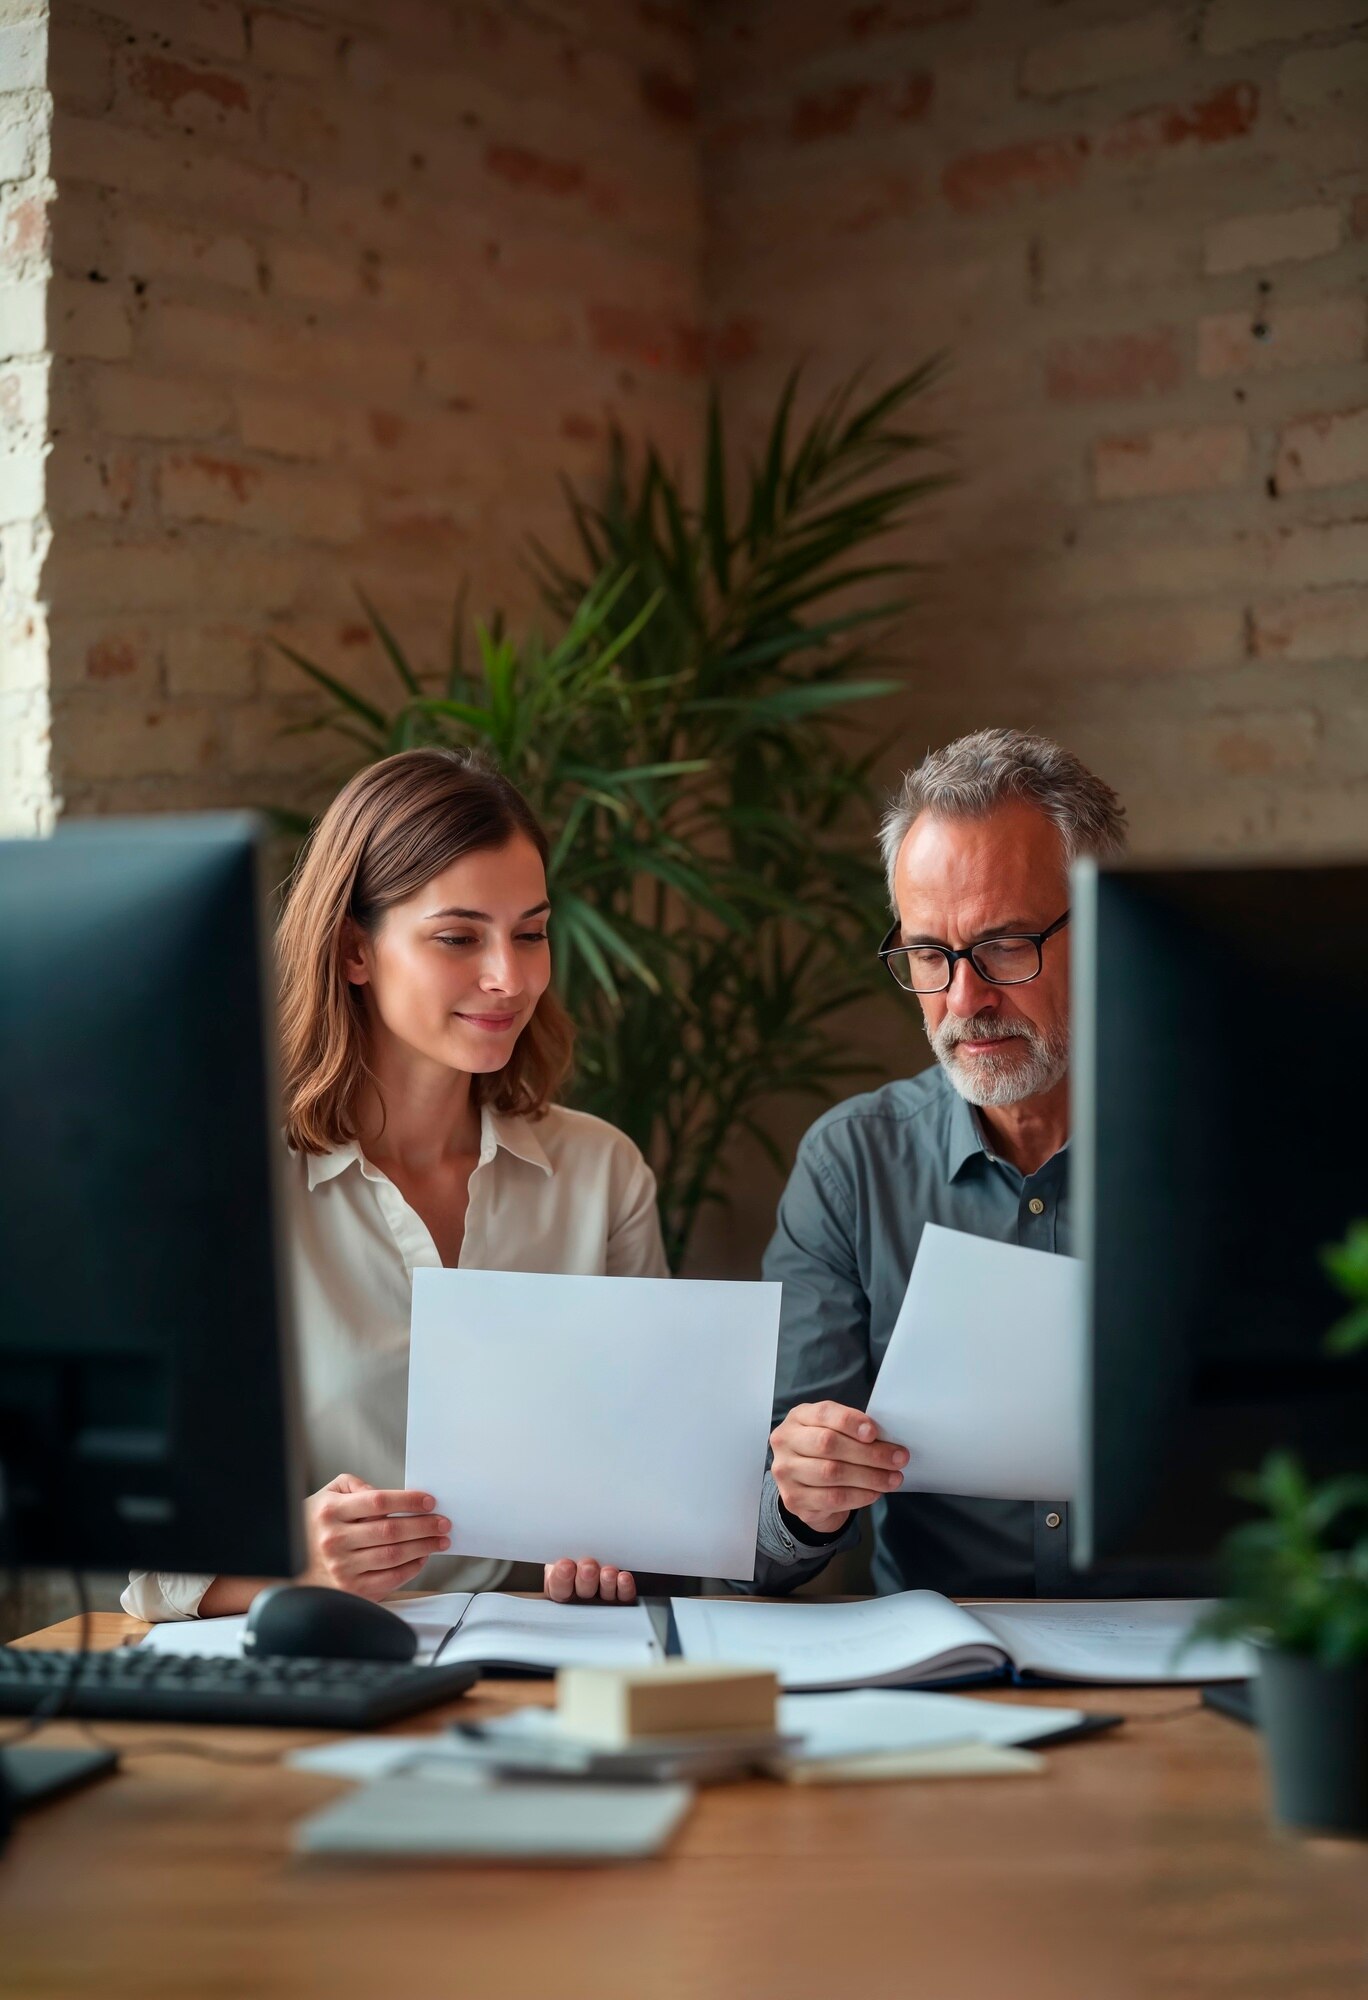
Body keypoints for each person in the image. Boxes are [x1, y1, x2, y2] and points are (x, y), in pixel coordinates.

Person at [123, 748, 667, 1621]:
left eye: (531, 932)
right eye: (459, 937)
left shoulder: (603, 1173)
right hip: (328, 1670)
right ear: (353, 951)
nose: (510, 976)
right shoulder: (235, 1189)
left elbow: (657, 1481)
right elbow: (147, 1570)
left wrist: (631, 1547)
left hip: (550, 1676)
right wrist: (300, 1563)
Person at [754, 727, 1128, 1598]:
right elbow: (758, 1548)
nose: (965, 1000)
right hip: (944, 1670)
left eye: (1004, 945)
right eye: (930, 955)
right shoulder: (852, 1164)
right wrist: (804, 1495)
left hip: (1192, 1654)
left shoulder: (1234, 1145)